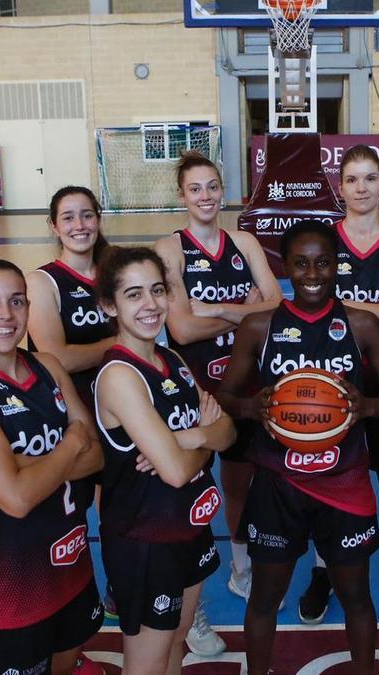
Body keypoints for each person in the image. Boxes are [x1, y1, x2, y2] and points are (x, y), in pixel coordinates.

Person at [216, 221, 379, 675]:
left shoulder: (361, 324)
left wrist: (366, 407)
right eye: (301, 263)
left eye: (323, 262)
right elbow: (223, 397)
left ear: (337, 266)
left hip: (344, 483)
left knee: (357, 598)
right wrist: (250, 406)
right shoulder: (258, 325)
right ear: (286, 267)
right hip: (277, 483)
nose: (313, 273)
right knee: (264, 598)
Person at [0, 260, 104, 675]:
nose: (5, 315)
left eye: (16, 302)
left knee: (65, 664)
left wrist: (24, 466)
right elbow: (16, 497)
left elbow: (97, 455)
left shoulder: (47, 365)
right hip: (7, 585)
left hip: (70, 561)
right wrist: (70, 445)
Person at [293, 144, 379, 634]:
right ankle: (324, 570)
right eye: (352, 180)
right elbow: (311, 308)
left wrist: (346, 307)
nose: (362, 188)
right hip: (335, 375)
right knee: (329, 479)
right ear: (340, 187)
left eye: (370, 178)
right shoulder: (323, 241)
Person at [153, 152, 282, 650]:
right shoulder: (170, 249)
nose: (205, 196)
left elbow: (274, 305)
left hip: (249, 377)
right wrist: (243, 310)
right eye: (195, 189)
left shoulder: (244, 241)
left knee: (244, 475)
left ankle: (241, 566)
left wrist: (219, 306)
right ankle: (193, 606)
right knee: (192, 489)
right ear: (182, 195)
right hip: (197, 386)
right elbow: (182, 327)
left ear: (223, 191)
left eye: (212, 187)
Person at [93, 246, 237, 675]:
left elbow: (227, 433)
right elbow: (175, 471)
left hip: (188, 527)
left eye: (157, 290)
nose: (151, 304)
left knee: (178, 638)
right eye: (133, 294)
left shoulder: (171, 360)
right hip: (144, 540)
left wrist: (191, 437)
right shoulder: (120, 376)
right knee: (147, 662)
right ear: (109, 304)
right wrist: (202, 440)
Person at [26, 185, 115, 413]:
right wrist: (124, 343)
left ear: (98, 219)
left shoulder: (116, 275)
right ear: (54, 226)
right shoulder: (41, 282)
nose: (80, 226)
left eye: (87, 216)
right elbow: (58, 359)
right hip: (69, 406)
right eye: (68, 218)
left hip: (119, 394)